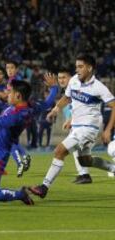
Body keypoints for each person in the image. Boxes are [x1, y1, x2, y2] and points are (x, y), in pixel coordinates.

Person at [29, 54, 115, 199]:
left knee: (59, 151)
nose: (77, 70)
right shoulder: (74, 80)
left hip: (88, 128)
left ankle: (44, 187)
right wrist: (56, 109)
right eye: (76, 67)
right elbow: (67, 97)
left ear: (89, 68)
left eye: (80, 67)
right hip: (78, 126)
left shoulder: (98, 87)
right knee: (85, 160)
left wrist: (108, 129)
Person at [54, 69, 93, 184]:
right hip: (76, 127)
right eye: (59, 78)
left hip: (84, 126)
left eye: (64, 77)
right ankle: (84, 175)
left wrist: (70, 119)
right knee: (79, 151)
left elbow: (83, 107)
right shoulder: (68, 93)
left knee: (67, 150)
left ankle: (85, 174)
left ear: (71, 78)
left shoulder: (77, 91)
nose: (61, 80)